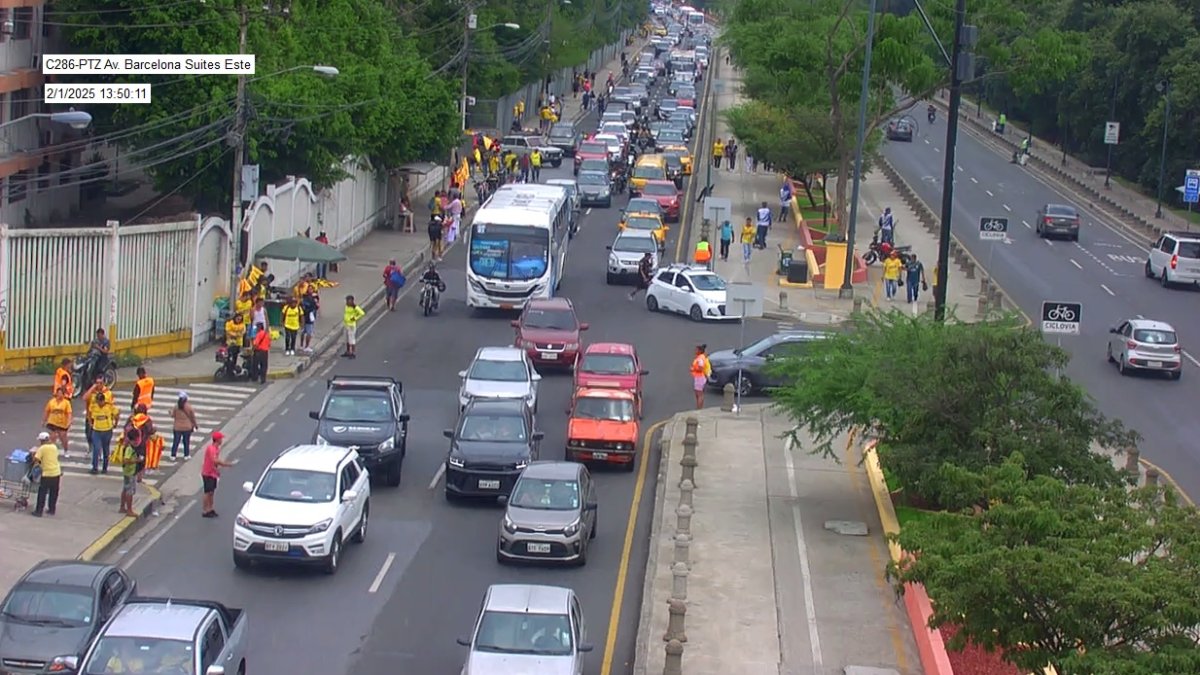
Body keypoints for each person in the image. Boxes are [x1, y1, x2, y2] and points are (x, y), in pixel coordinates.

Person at [201, 431, 235, 518]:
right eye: (221, 439)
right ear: (217, 440)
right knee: (207, 492)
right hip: (208, 473)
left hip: (213, 473)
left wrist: (216, 470)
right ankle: (205, 510)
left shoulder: (216, 449)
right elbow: (214, 460)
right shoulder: (211, 449)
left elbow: (215, 462)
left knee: (212, 492)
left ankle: (210, 508)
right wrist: (226, 464)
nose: (221, 440)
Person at [31, 431, 62, 517]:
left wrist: (34, 453)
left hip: (47, 473)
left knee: (42, 492)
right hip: (56, 472)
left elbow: (36, 459)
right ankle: (52, 509)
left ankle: (39, 511)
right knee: (54, 492)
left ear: (42, 440)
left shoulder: (42, 448)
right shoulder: (54, 447)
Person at [88, 389, 118, 474]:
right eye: (98, 402)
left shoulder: (109, 406)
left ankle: (105, 467)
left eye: (100, 402)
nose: (99, 404)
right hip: (96, 430)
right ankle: (95, 467)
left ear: (103, 400)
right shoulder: (94, 406)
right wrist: (90, 422)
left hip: (107, 431)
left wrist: (115, 423)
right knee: (96, 449)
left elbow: (117, 413)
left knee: (106, 449)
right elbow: (89, 413)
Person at [43, 387, 72, 458]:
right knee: (52, 438)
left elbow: (69, 413)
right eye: (58, 393)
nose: (59, 395)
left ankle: (66, 450)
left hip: (62, 423)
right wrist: (44, 420)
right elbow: (47, 411)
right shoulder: (51, 402)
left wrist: (69, 422)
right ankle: (53, 452)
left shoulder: (66, 403)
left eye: (61, 393)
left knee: (63, 438)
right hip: (52, 422)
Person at [170, 391, 198, 461]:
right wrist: (195, 425)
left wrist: (170, 412)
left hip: (177, 427)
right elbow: (193, 417)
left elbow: (173, 415)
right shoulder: (189, 407)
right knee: (186, 442)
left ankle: (173, 455)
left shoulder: (176, 407)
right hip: (187, 427)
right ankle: (186, 455)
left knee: (176, 441)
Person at [116, 434, 139, 517]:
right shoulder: (129, 449)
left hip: (127, 471)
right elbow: (126, 460)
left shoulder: (127, 447)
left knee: (125, 489)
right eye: (136, 440)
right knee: (130, 491)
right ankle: (129, 510)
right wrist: (136, 460)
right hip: (130, 472)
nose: (137, 442)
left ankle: (122, 507)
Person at [690, 344, 712, 409]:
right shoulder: (700, 357)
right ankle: (699, 407)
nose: (695, 351)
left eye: (696, 350)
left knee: (699, 394)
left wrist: (693, 369)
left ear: (699, 351)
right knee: (698, 394)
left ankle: (699, 408)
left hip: (699, 378)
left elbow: (701, 368)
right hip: (699, 377)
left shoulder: (700, 358)